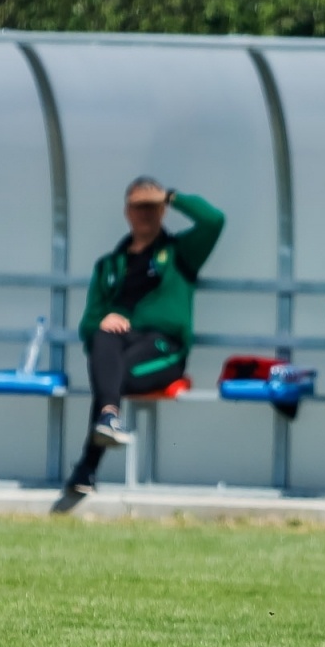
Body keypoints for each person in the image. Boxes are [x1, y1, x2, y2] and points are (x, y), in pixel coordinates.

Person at [63, 177, 225, 496]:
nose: (146, 214)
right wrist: (105, 318)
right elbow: (88, 324)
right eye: (139, 207)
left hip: (164, 349)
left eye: (153, 207)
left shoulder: (180, 253)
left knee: (110, 373)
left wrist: (172, 195)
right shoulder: (109, 264)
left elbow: (214, 220)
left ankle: (88, 465)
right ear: (127, 211)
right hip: (120, 347)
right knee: (102, 339)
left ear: (163, 211)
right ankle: (108, 419)